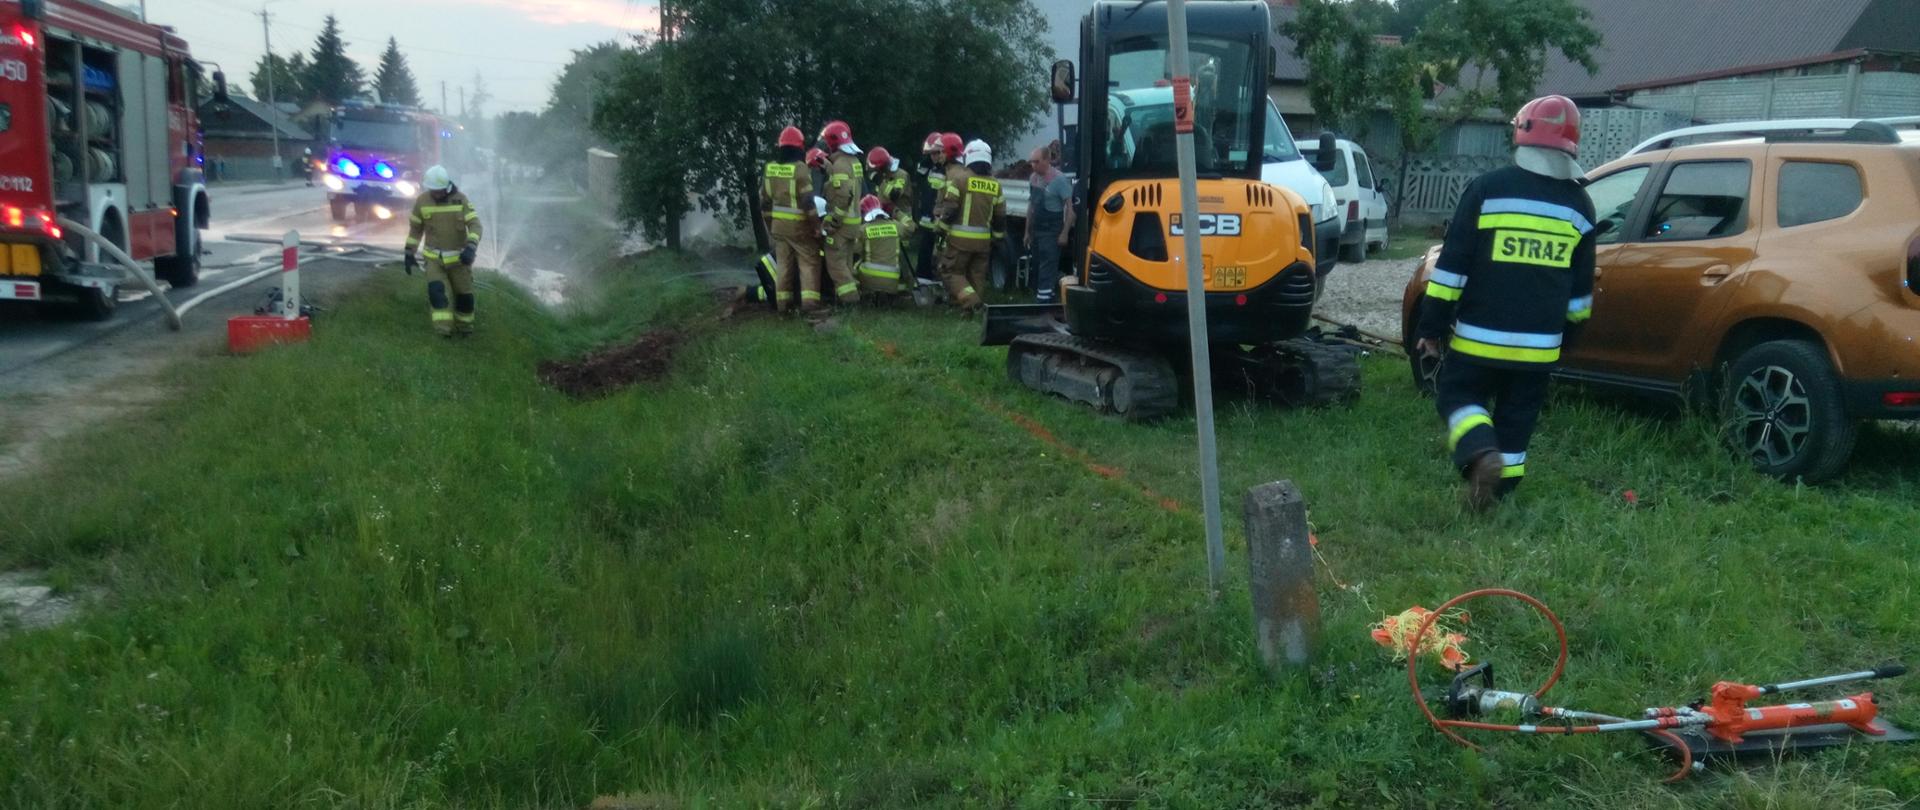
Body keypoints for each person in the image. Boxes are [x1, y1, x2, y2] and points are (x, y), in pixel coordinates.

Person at [1414, 94, 1597, 510]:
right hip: (1539, 348)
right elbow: (1581, 297)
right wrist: (1564, 340)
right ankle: (1498, 496)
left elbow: (1451, 272)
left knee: (1457, 397)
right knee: (1518, 418)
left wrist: (1431, 328)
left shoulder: (1487, 190)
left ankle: (1481, 453)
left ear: (1522, 134)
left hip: (1479, 339)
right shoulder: (1580, 207)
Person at [402, 165, 483, 337]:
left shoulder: (460, 200)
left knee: (464, 297)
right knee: (437, 294)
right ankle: (443, 332)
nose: (435, 194)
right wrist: (409, 252)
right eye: (432, 190)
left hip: (459, 261)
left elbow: (475, 225)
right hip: (434, 260)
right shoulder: (422, 201)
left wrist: (471, 246)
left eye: (438, 190)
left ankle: (465, 328)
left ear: (447, 186)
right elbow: (416, 229)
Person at [935, 139, 1006, 314]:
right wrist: (997, 238)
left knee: (951, 272)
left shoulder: (960, 180)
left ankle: (973, 303)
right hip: (983, 243)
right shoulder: (995, 185)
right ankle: (968, 311)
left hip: (960, 241)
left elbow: (950, 209)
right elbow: (1000, 217)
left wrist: (941, 229)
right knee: (977, 275)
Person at [760, 126, 823, 312]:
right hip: (800, 228)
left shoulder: (770, 170)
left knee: (784, 267)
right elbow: (807, 202)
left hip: (779, 229)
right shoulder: (801, 169)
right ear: (799, 148)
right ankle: (810, 305)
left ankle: (783, 306)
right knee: (809, 262)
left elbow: (764, 203)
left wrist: (771, 225)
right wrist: (816, 226)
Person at [818, 120, 864, 306]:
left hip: (842, 224)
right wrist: (829, 169)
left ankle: (850, 301)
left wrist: (833, 221)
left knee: (836, 265)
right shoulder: (854, 162)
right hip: (854, 223)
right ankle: (850, 296)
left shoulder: (840, 166)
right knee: (846, 263)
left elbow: (843, 196)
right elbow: (851, 187)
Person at [1024, 144, 1074, 304]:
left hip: (1052, 231)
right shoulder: (1033, 179)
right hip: (1037, 230)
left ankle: (1043, 304)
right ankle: (1047, 296)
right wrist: (1027, 232)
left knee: (1048, 265)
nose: (1033, 165)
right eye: (1031, 162)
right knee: (1038, 264)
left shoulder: (1059, 180)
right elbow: (1031, 207)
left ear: (1047, 160)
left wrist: (1064, 233)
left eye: (1036, 162)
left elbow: (1070, 209)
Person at [852, 194, 909, 300]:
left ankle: (862, 293)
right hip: (893, 277)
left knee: (853, 266)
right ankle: (895, 295)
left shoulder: (863, 229)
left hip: (869, 278)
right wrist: (896, 212)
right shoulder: (896, 226)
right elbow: (911, 226)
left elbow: (855, 251)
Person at [911, 132, 945, 283]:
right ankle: (923, 279)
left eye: (937, 153)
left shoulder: (948, 169)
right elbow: (919, 182)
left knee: (941, 252)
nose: (934, 157)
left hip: (940, 217)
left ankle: (939, 279)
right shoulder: (926, 166)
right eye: (931, 154)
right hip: (926, 216)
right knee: (925, 247)